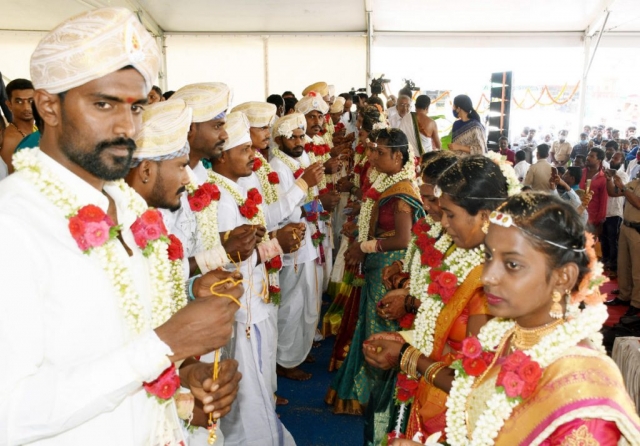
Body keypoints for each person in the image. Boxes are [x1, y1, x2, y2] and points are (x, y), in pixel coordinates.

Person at [0, 8, 243, 444]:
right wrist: (166, 345)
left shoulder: (129, 209)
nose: (126, 126)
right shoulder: (14, 223)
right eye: (103, 104)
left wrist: (184, 374)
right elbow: (9, 411)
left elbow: (123, 342)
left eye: (136, 107)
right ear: (48, 106)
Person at [436, 193, 640, 445]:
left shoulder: (582, 390)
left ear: (563, 277)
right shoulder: (504, 336)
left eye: (512, 264)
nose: (487, 276)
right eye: (488, 256)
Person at [363, 155, 511, 443]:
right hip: (436, 394)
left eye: (450, 215)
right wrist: (403, 339)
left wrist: (406, 356)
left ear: (484, 216)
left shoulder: (494, 283)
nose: (443, 222)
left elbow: (475, 385)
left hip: (462, 419)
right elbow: (445, 325)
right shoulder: (465, 256)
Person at [326, 129, 425, 430]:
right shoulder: (385, 182)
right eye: (372, 150)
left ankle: (378, 401)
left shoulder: (402, 191)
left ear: (398, 156)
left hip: (388, 270)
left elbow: (403, 239)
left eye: (380, 152)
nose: (372, 157)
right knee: (369, 324)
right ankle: (364, 394)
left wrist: (365, 247)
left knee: (380, 328)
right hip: (377, 266)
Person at [209, 111, 296, 446]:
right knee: (249, 390)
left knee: (256, 385)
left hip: (255, 302)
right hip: (244, 310)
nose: (254, 155)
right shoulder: (221, 200)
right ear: (222, 155)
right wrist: (277, 245)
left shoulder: (234, 189)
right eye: (244, 149)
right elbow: (228, 264)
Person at [270, 113, 326, 381]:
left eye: (301, 136)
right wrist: (308, 206)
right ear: (279, 140)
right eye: (292, 137)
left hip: (309, 239)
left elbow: (308, 198)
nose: (298, 141)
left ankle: (298, 350)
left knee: (307, 300)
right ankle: (285, 360)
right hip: (292, 245)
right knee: (292, 304)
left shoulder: (301, 159)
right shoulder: (277, 167)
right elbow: (281, 212)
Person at [605, 160, 640, 320]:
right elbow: (613, 193)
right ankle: (624, 295)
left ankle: (636, 302)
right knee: (623, 265)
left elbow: (638, 203)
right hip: (625, 227)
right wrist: (609, 180)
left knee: (637, 269)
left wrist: (624, 188)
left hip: (637, 230)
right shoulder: (634, 183)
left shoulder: (630, 186)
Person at [602, 151, 628, 278]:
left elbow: (617, 191)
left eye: (616, 159)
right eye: (612, 158)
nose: (612, 160)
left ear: (621, 162)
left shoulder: (623, 175)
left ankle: (614, 267)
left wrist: (612, 176)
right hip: (604, 210)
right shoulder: (606, 172)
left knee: (613, 241)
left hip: (615, 212)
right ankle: (605, 262)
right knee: (604, 239)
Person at [0, 78, 35, 172]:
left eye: (31, 101)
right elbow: (9, 177)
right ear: (9, 105)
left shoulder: (37, 129)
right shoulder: (9, 140)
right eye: (19, 101)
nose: (26, 107)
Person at [580, 147, 608, 231]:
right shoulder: (581, 173)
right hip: (576, 215)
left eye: (592, 156)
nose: (588, 158)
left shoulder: (603, 178)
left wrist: (599, 221)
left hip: (592, 219)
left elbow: (603, 201)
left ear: (599, 160)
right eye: (588, 155)